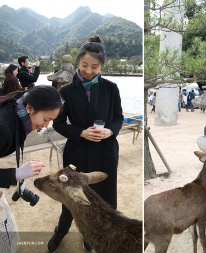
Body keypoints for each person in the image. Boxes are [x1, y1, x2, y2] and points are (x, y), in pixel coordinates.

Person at [47, 35, 124, 253]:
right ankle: (60, 231)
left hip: (105, 152)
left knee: (103, 199)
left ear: (102, 65)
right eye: (84, 65)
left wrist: (111, 130)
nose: (88, 71)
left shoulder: (111, 88)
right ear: (78, 62)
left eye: (94, 66)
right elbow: (58, 123)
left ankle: (91, 235)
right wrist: (81, 132)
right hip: (77, 153)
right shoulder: (67, 91)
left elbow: (118, 117)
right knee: (72, 197)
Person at [0, 85, 63, 188]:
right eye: (46, 120)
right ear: (29, 108)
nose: (45, 126)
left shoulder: (18, 110)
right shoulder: (3, 129)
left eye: (50, 121)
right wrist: (16, 173)